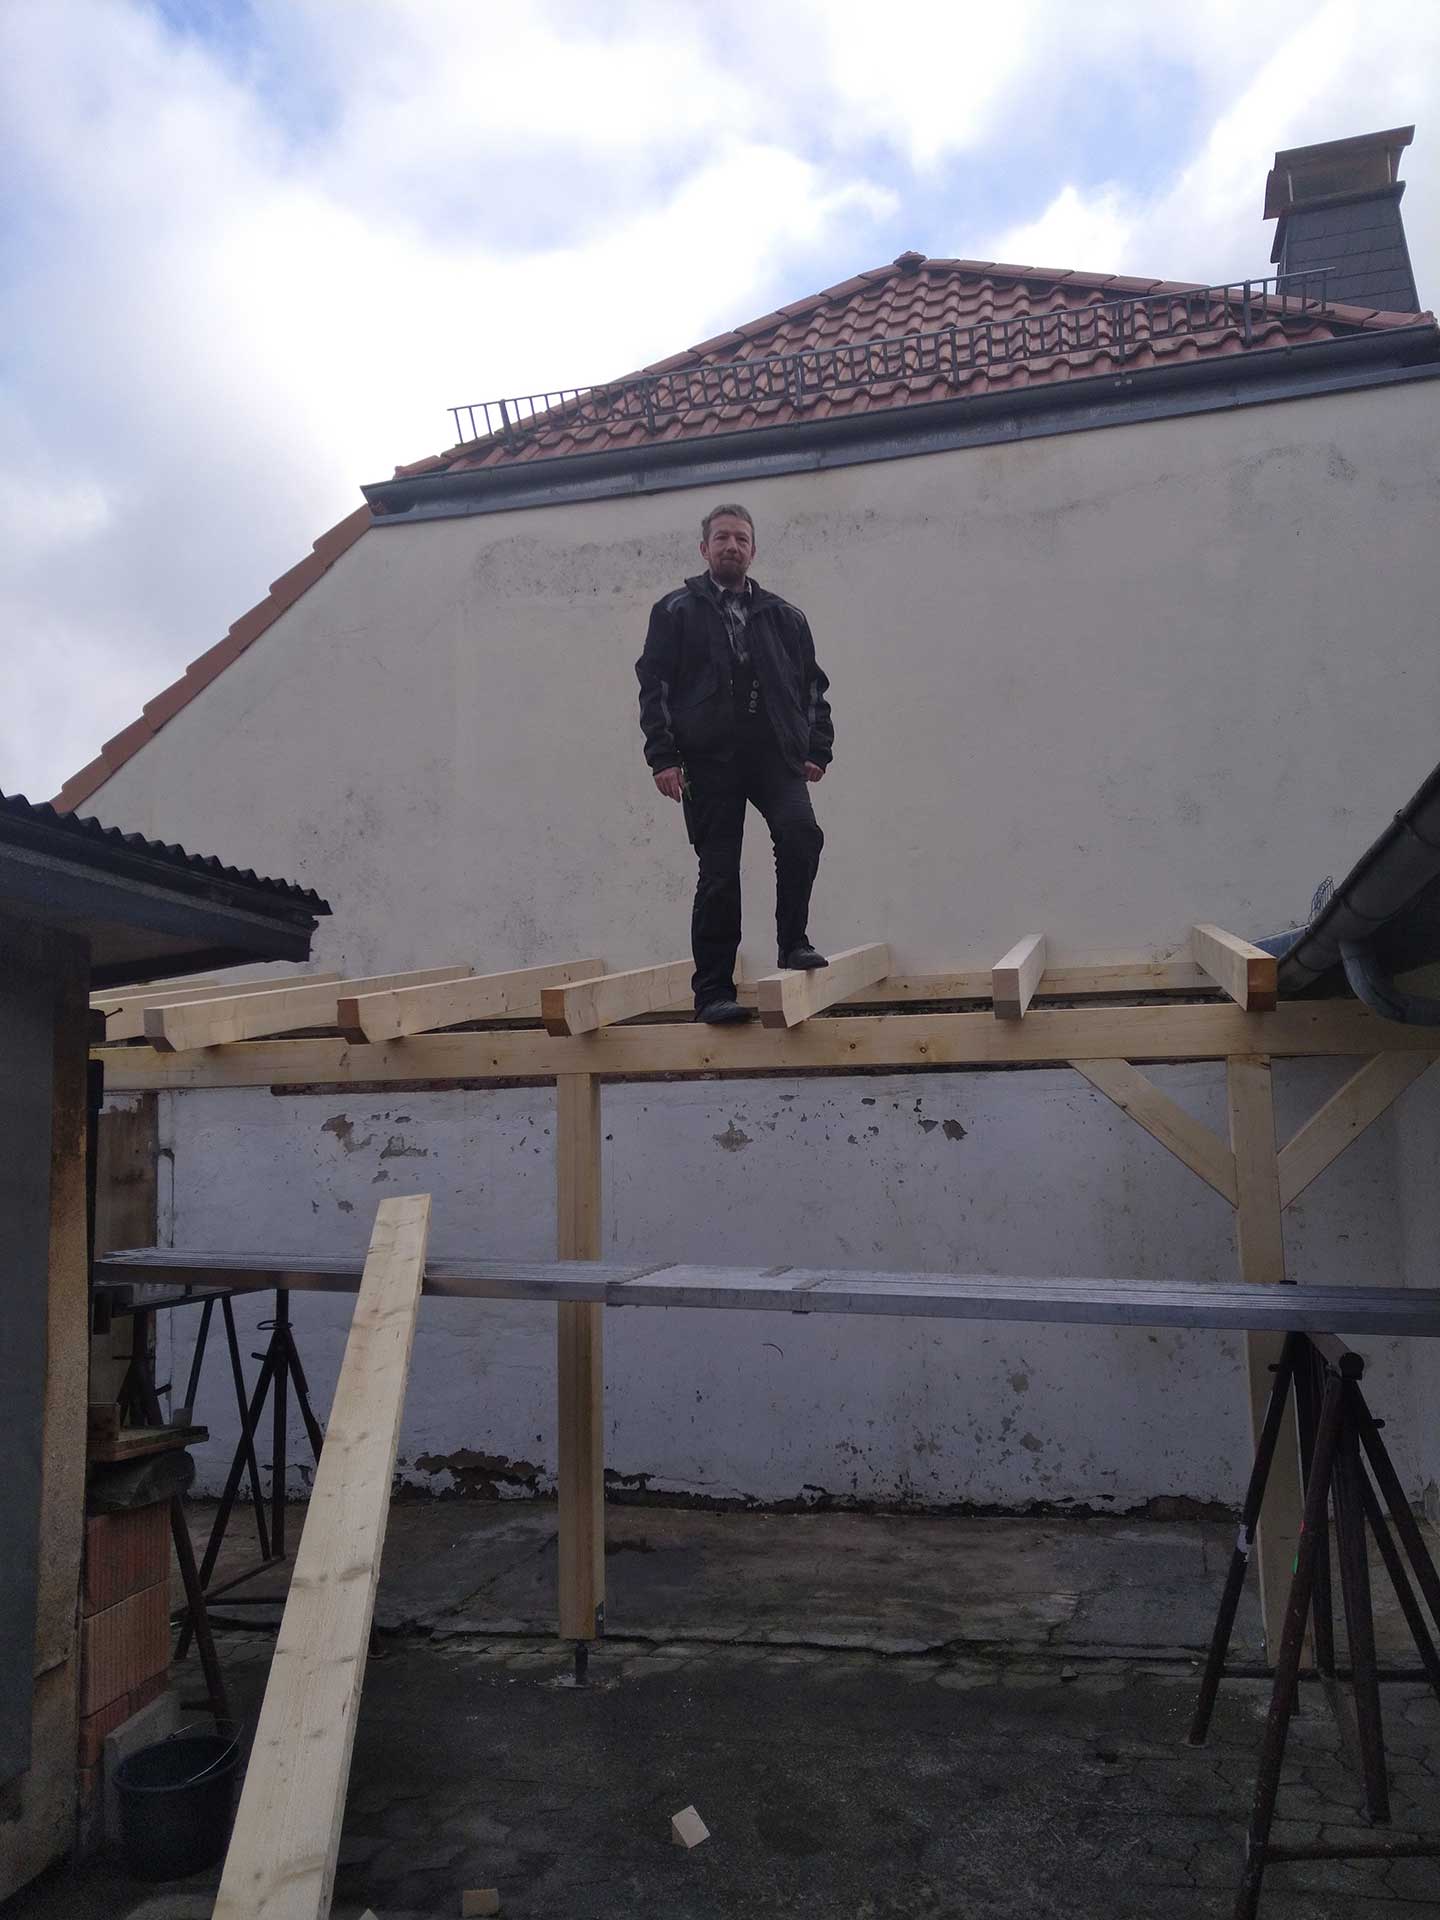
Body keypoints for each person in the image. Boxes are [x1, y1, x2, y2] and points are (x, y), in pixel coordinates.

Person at [636, 503, 833, 1024]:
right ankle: (713, 993)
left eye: (741, 539)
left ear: (753, 550)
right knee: (719, 873)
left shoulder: (785, 616)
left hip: (774, 754)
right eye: (722, 538)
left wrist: (816, 747)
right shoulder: (675, 611)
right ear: (704, 549)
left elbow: (811, 686)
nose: (732, 546)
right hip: (708, 759)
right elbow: (654, 687)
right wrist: (663, 757)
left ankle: (793, 943)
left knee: (801, 835)